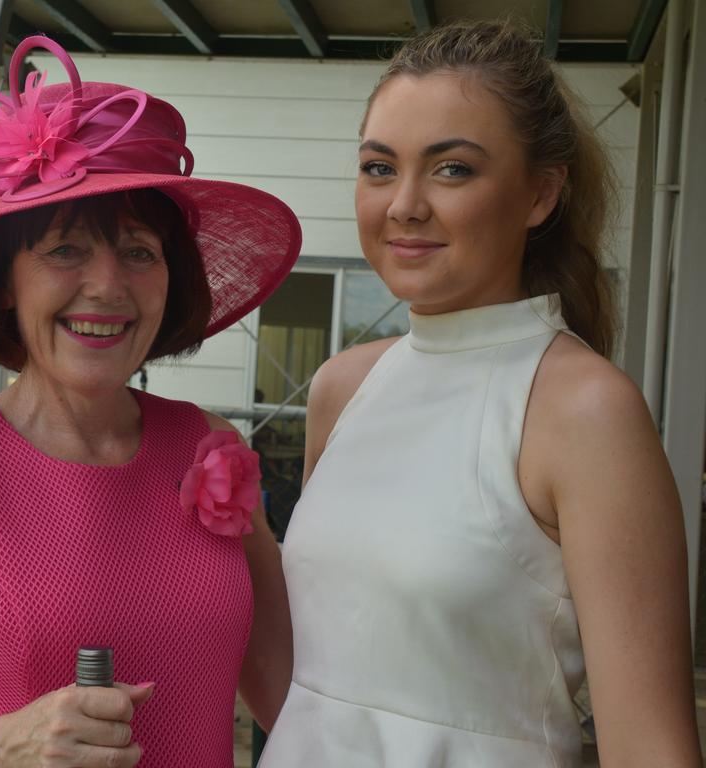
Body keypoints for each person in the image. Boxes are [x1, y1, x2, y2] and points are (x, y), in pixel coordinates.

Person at [0, 36, 298, 768]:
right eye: (66, 249)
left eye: (139, 250)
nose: (108, 285)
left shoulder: (212, 448)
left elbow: (295, 695)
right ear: (5, 281)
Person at [260, 19, 702, 768]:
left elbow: (650, 747)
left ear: (540, 194)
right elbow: (319, 681)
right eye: (378, 167)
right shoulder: (343, 386)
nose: (403, 205)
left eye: (452, 169)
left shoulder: (584, 408)